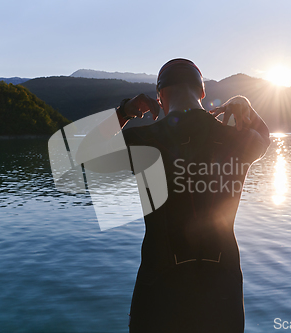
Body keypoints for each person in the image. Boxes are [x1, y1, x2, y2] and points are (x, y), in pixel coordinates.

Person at [80, 59, 270, 332]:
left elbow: (86, 152)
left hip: (160, 286)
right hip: (222, 286)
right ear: (202, 92)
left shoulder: (144, 139)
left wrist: (124, 112)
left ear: (159, 97)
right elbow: (264, 136)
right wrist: (245, 106)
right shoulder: (237, 140)